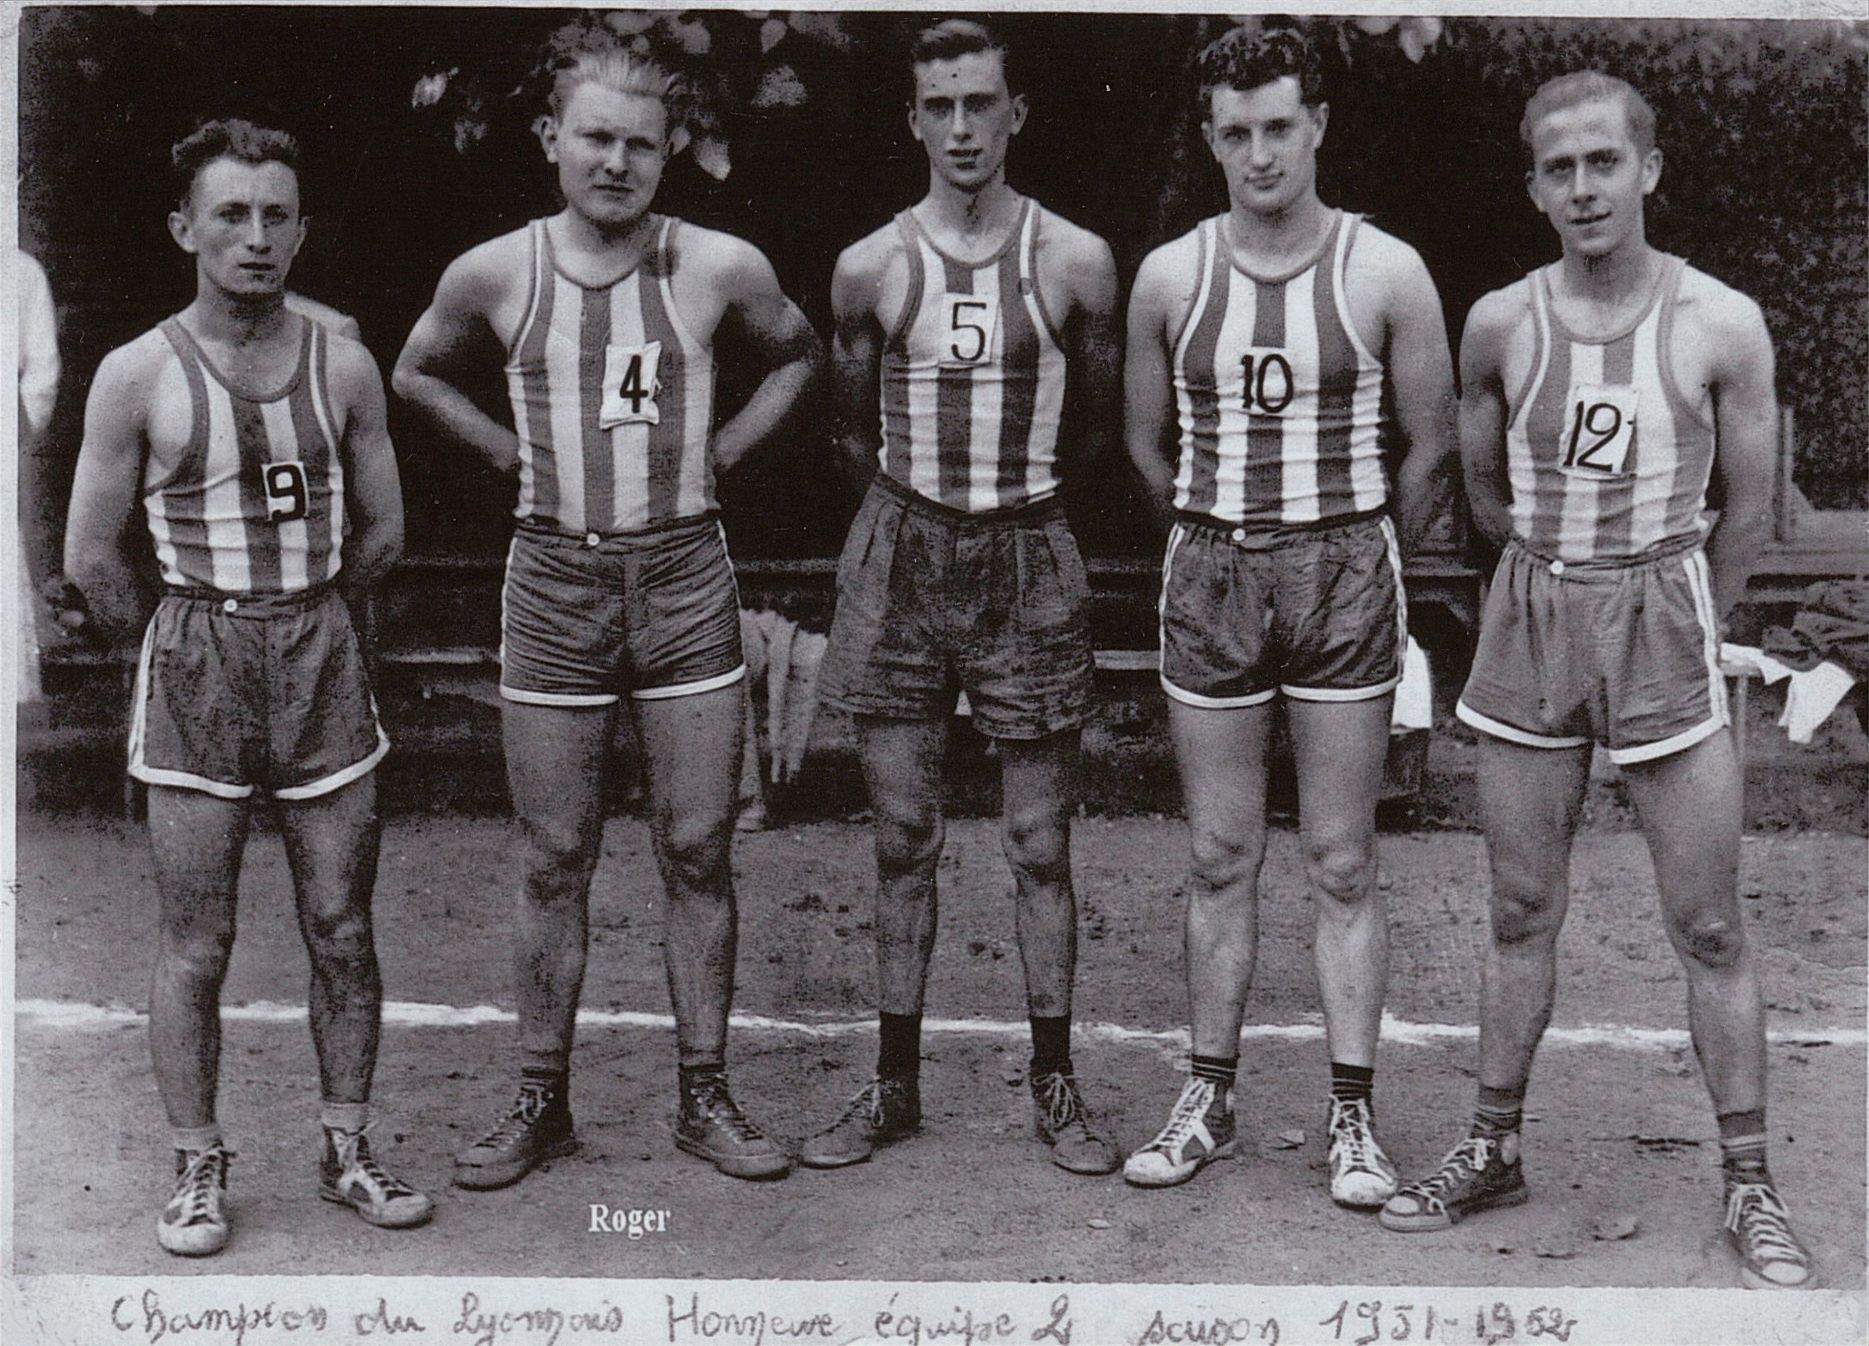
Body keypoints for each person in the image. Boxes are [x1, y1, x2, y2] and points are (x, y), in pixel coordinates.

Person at [1378, 71, 1812, 1290]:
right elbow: (1481, 487)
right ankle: (1492, 1143)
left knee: (1710, 920)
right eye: (1559, 168)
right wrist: (1556, 582)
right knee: (1520, 905)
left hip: (1665, 613)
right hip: (1535, 612)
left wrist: (1681, 612)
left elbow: (1749, 508)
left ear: (1649, 169)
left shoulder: (1722, 321)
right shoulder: (1502, 322)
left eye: (1604, 163)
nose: (1583, 187)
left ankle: (1750, 1184)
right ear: (1533, 185)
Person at [393, 19, 821, 1186]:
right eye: (595, 138)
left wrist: (722, 447)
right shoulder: (496, 270)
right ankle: (540, 1099)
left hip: (684, 572)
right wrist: (500, 455)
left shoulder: (719, 264)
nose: (616, 162)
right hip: (554, 579)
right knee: (552, 853)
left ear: (670, 148)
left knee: (697, 846)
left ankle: (705, 1094)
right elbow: (415, 369)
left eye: (640, 142)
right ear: (550, 140)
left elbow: (798, 352)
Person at [62, 118, 425, 1255]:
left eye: (277, 215)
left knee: (341, 923)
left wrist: (306, 621)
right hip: (196, 657)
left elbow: (383, 532)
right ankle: (196, 1162)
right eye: (231, 213)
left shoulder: (345, 363)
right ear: (186, 227)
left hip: (317, 653)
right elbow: (88, 556)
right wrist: (176, 647)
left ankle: (348, 1142)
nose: (256, 237)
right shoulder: (137, 372)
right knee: (196, 939)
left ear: (302, 227)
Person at [1122, 25, 1455, 1204]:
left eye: (1278, 126)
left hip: (1345, 564)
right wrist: (1217, 534)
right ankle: (1208, 1094)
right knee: (1219, 851)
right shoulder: (1172, 275)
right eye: (1235, 132)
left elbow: (1432, 445)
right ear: (1210, 138)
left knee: (1342, 855)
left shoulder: (1385, 270)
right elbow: (1144, 442)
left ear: (1316, 123)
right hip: (1212, 566)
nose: (1259, 152)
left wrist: (1353, 548)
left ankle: (1352, 1116)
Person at [804, 18, 1122, 1175]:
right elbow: (847, 428)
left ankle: (1057, 1083)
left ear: (1016, 111)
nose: (959, 127)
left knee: (1040, 838)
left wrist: (1013, 514)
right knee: (902, 833)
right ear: (912, 119)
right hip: (900, 552)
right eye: (937, 106)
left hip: (1030, 550)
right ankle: (892, 1083)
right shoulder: (870, 264)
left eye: (979, 103)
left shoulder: (1077, 259)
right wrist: (922, 521)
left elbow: (1091, 423)